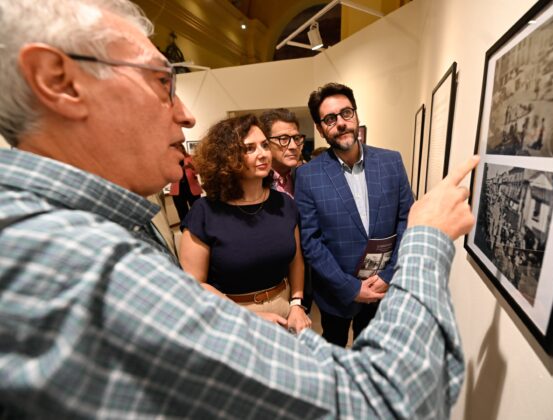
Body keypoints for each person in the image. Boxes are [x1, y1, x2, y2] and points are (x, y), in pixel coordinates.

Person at [0, 1, 478, 417]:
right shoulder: (83, 264)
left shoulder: (90, 229)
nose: (186, 113)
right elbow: (386, 402)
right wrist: (426, 236)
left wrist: (284, 305)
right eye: (162, 81)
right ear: (58, 80)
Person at [294, 82, 415, 347]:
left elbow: (408, 221)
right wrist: (351, 288)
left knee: (374, 352)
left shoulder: (391, 162)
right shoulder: (307, 176)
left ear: (356, 115)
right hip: (337, 294)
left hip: (384, 287)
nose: (340, 123)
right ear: (320, 128)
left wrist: (388, 275)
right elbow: (311, 242)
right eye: (330, 118)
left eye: (346, 113)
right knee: (334, 349)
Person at [178, 114, 311, 332]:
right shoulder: (204, 212)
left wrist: (296, 304)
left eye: (265, 145)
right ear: (227, 158)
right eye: (250, 148)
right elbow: (194, 284)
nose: (263, 154)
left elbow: (296, 261)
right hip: (230, 314)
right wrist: (247, 316)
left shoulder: (284, 204)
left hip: (283, 308)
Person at [259, 108, 305, 198]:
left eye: (296, 138)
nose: (294, 146)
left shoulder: (303, 177)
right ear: (266, 143)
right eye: (283, 139)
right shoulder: (256, 183)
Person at [169, 143, 202, 222]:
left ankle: (199, 230)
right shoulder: (171, 161)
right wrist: (181, 168)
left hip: (192, 188)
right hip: (178, 190)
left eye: (179, 147)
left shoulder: (191, 158)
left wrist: (192, 167)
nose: (177, 149)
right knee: (182, 213)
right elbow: (169, 175)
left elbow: (198, 171)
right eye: (175, 148)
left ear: (183, 148)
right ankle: (185, 231)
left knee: (197, 211)